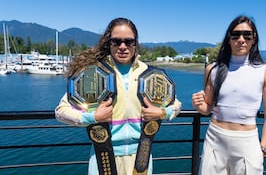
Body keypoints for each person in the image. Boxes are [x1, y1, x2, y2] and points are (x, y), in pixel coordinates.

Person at [55, 17, 182, 175]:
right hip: (104, 157)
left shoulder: (150, 74)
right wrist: (93, 117)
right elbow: (61, 112)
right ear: (109, 43)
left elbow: (176, 105)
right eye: (116, 41)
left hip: (142, 157)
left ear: (135, 44)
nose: (123, 47)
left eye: (129, 42)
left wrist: (162, 113)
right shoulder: (92, 74)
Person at [192, 15, 266, 175]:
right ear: (229, 39)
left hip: (248, 142)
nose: (241, 39)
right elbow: (207, 108)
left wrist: (262, 149)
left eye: (247, 35)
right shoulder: (213, 69)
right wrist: (198, 105)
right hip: (215, 139)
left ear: (254, 39)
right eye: (236, 34)